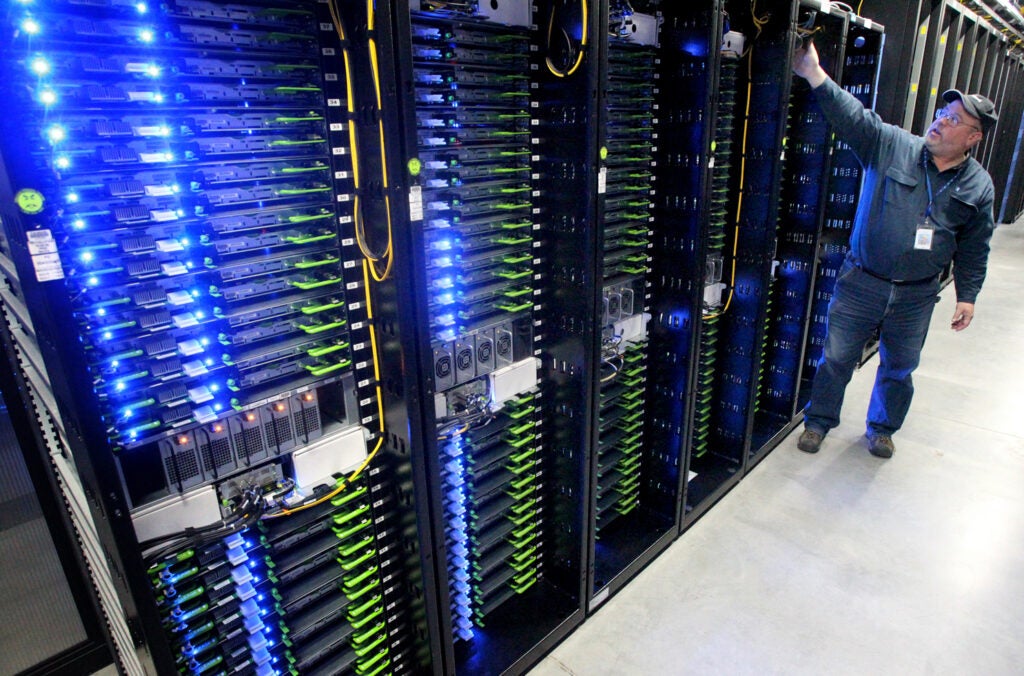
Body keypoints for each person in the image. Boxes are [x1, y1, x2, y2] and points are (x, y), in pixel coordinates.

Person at [791, 40, 998, 458]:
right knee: (836, 358)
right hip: (863, 280)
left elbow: (975, 246)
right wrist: (814, 73)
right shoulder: (892, 146)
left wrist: (968, 297)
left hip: (917, 294)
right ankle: (818, 421)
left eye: (953, 119)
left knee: (900, 367)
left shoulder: (979, 186)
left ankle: (882, 428)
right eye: (942, 112)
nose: (940, 121)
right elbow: (854, 118)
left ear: (973, 137)